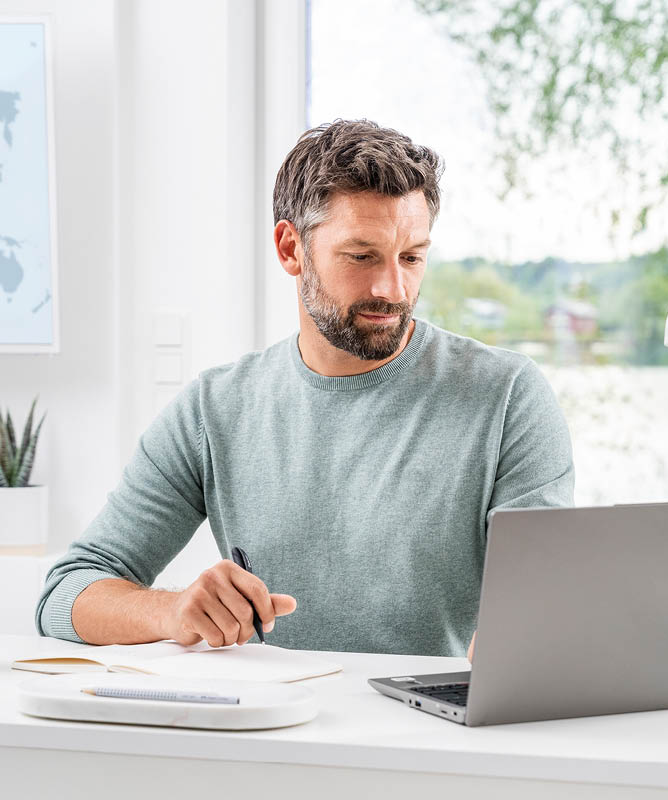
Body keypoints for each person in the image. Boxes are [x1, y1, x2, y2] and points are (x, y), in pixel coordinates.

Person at [35, 119, 574, 659]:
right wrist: (172, 611)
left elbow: (548, 602)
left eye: (411, 257)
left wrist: (531, 639)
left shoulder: (507, 397)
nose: (393, 288)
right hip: (268, 733)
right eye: (361, 256)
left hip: (431, 735)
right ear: (291, 248)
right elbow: (66, 594)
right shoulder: (213, 410)